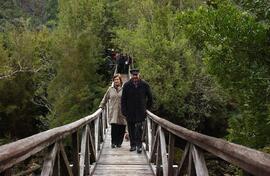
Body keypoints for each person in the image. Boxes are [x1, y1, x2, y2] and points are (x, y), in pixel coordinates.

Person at [121, 68, 153, 153]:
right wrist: (124, 111)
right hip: (130, 112)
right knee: (131, 129)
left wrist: (147, 108)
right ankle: (133, 145)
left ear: (139, 75)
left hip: (140, 111)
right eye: (133, 75)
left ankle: (139, 146)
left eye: (136, 75)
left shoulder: (145, 85)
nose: (135, 76)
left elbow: (150, 98)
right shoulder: (127, 85)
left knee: (139, 128)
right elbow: (123, 99)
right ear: (131, 75)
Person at [99, 74, 127, 148]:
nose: (116, 81)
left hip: (122, 111)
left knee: (122, 127)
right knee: (114, 127)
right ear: (113, 81)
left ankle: (119, 142)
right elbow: (105, 98)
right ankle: (113, 142)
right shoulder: (110, 89)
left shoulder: (125, 89)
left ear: (120, 80)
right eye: (115, 80)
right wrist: (101, 106)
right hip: (113, 111)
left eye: (117, 79)